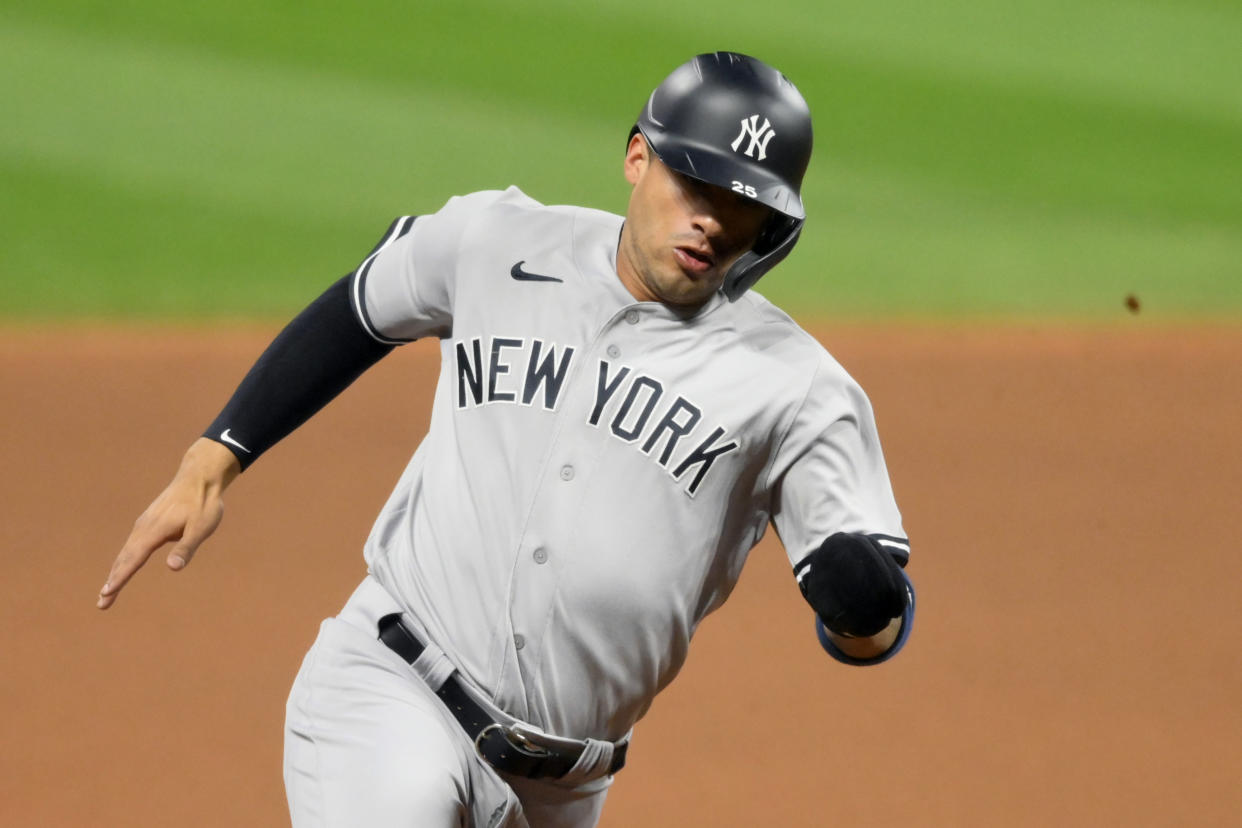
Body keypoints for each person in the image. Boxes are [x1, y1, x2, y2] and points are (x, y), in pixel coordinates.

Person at [97, 51, 915, 828]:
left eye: (745, 205)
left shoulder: (799, 387)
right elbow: (360, 310)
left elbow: (873, 625)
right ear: (638, 156)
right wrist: (216, 455)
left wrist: (864, 609)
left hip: (564, 788)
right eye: (695, 181)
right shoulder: (500, 241)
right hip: (391, 689)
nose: (711, 220)